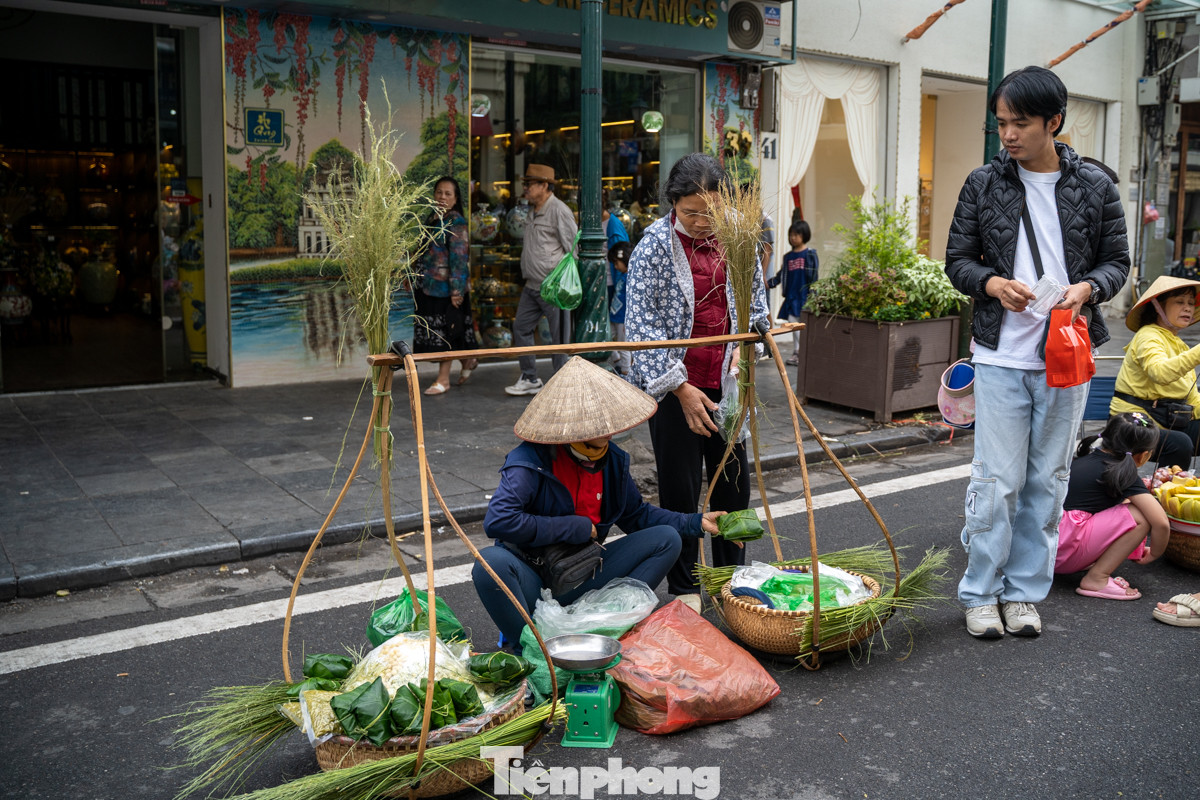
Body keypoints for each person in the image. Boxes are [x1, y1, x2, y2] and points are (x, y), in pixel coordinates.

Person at [944, 66, 1131, 639]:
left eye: (1020, 123)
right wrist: (993, 285)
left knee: (1046, 481)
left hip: (1066, 356)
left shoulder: (1096, 186)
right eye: (1001, 123)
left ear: (1054, 122)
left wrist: (1088, 289)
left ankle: (1024, 592)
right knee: (996, 480)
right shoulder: (983, 183)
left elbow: (1116, 262)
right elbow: (958, 260)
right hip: (1001, 353)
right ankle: (980, 593)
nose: (1008, 135)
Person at [473, 356, 724, 646]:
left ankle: (601, 629)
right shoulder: (529, 461)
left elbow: (636, 515)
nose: (606, 434)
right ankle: (529, 648)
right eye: (595, 431)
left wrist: (694, 521)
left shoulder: (613, 460)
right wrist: (574, 527)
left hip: (583, 572)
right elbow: (499, 520)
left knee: (667, 539)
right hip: (534, 579)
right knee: (488, 563)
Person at [625, 153, 770, 611]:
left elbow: (757, 303)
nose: (704, 222)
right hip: (676, 388)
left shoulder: (738, 239)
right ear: (673, 204)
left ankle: (733, 582)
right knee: (681, 489)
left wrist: (754, 345)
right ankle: (686, 588)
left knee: (733, 484)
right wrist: (679, 387)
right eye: (692, 213)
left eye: (712, 211)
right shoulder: (653, 247)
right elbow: (639, 325)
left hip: (727, 382)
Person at [1056, 413, 1168, 601]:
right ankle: (1097, 578)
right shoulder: (1121, 473)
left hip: (1047, 550)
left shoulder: (1082, 460)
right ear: (1144, 455)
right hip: (1065, 553)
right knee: (1140, 514)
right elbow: (1161, 522)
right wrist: (1155, 553)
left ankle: (1092, 566)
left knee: (1127, 504)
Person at [1109, 276, 1200, 471]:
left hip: (1169, 420)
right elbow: (1160, 372)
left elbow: (1193, 400)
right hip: (1132, 422)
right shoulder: (1148, 335)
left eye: (1191, 303)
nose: (1188, 308)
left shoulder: (1180, 345)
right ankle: (1164, 494)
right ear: (1158, 306)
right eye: (1179, 302)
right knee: (1180, 443)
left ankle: (1183, 493)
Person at [505, 164, 578, 397]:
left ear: (544, 186)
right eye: (525, 183)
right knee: (521, 327)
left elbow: (573, 250)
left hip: (553, 288)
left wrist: (565, 283)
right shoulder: (531, 210)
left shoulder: (559, 210)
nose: (525, 188)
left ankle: (561, 385)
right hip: (532, 285)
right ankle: (530, 377)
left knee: (560, 340)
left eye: (530, 184)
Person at [413, 177, 478, 395]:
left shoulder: (456, 222)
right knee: (448, 332)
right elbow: (421, 251)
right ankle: (467, 361)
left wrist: (457, 291)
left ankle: (443, 380)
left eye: (448, 194)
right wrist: (410, 274)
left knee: (445, 335)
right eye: (439, 192)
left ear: (456, 198)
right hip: (427, 286)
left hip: (446, 290)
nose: (442, 197)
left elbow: (459, 259)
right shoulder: (431, 218)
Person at [768, 220, 818, 365]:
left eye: (797, 235)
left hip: (804, 297)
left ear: (804, 235)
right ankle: (798, 352)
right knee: (793, 324)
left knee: (800, 326)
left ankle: (800, 352)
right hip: (791, 297)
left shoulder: (810, 255)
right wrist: (769, 283)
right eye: (791, 235)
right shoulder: (788, 257)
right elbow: (781, 274)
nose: (793, 238)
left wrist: (813, 295)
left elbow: (814, 277)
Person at [605, 202, 633, 376]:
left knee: (624, 345)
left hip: (623, 317)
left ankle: (626, 372)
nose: (614, 266)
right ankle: (617, 361)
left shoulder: (629, 277)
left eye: (616, 262)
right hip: (615, 314)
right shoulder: (621, 276)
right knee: (609, 338)